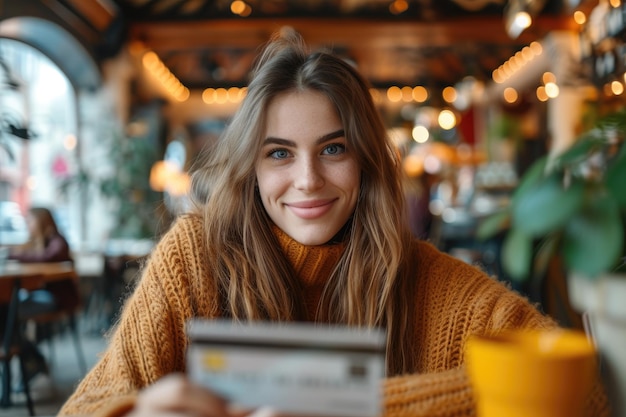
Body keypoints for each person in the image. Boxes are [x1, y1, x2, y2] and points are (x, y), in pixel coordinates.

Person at [59, 30, 609, 417]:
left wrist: (351, 404)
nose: (307, 179)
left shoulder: (422, 278)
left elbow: (581, 392)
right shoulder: (196, 258)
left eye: (333, 149)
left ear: (366, 160)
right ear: (250, 167)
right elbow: (87, 404)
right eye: (279, 154)